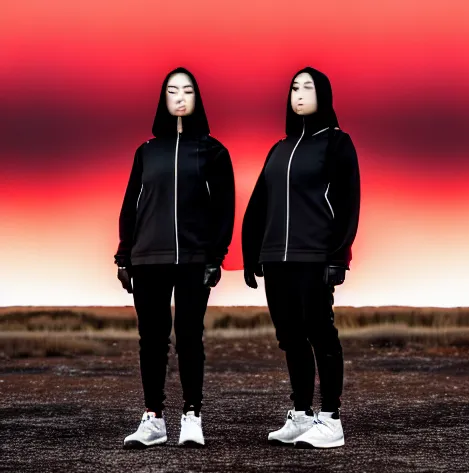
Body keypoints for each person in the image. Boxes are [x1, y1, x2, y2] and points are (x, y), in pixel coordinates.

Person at [115, 67, 235, 449]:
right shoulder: (146, 152)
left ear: (197, 98)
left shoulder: (213, 152)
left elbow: (225, 209)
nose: (179, 97)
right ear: (163, 99)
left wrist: (215, 257)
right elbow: (131, 205)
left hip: (194, 260)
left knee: (188, 337)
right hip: (147, 257)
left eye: (186, 91)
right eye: (172, 91)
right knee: (151, 339)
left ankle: (192, 417)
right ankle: (153, 419)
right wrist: (123, 256)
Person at [242, 67, 360, 449]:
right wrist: (251, 253)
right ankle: (302, 415)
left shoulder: (337, 144)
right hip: (277, 258)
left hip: (314, 256)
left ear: (324, 94)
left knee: (320, 332)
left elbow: (347, 203)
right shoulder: (279, 149)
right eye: (295, 86)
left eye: (308, 86)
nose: (300, 92)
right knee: (290, 337)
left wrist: (338, 256)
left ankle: (331, 419)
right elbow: (260, 203)